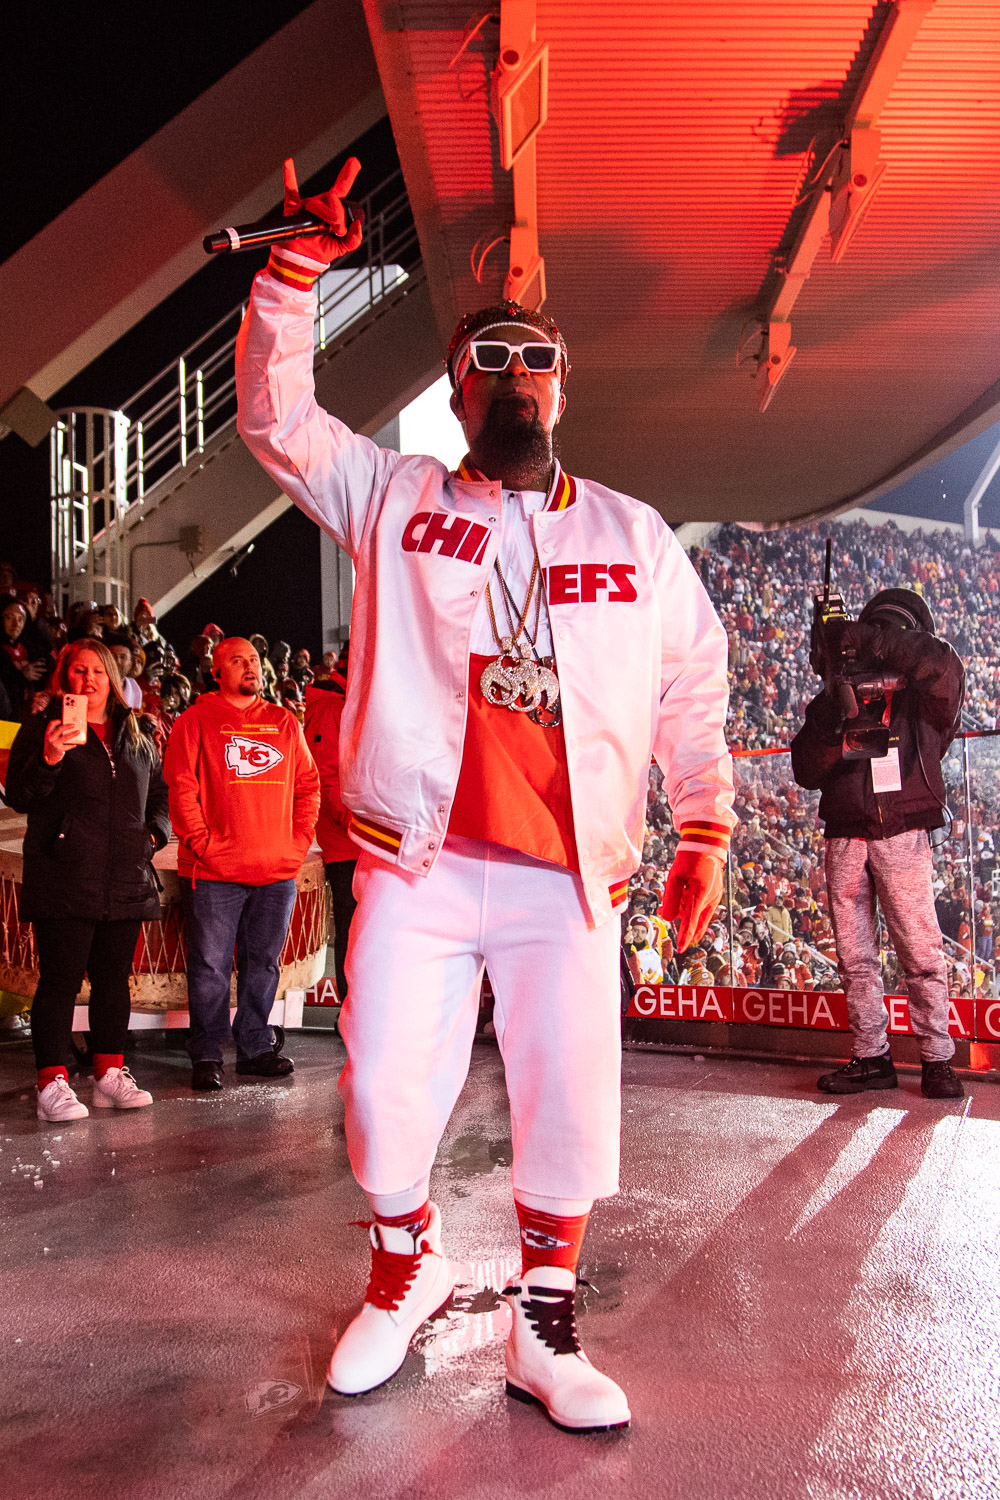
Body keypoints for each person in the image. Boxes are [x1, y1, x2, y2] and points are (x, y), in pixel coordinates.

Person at [234, 154, 735, 1432]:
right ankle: (407, 1265)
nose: (515, 372)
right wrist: (293, 276)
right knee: (385, 1082)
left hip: (570, 867)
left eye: (535, 355)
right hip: (418, 855)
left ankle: (544, 1319)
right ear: (457, 388)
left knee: (570, 1083)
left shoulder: (630, 531)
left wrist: (707, 821)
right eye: (489, 354)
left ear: (563, 385)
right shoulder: (394, 497)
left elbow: (694, 683)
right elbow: (278, 421)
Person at [790, 588, 966, 1099]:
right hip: (847, 831)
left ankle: (937, 1059)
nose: (876, 645)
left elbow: (940, 665)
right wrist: (833, 713)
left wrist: (870, 638)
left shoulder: (930, 693)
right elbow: (806, 768)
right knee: (855, 956)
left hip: (901, 831)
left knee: (921, 952)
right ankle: (872, 1057)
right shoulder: (839, 692)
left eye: (889, 633)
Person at [5, 639, 170, 1121]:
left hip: (126, 875)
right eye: (78, 671)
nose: (89, 679)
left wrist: (154, 837)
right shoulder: (41, 727)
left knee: (113, 981)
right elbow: (19, 794)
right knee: (59, 981)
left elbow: (158, 794)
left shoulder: (136, 732)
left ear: (114, 679)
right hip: (64, 875)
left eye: (99, 670)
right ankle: (51, 1083)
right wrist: (51, 757)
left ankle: (108, 1075)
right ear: (64, 677)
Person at [163, 637, 320, 1091]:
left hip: (276, 871)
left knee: (264, 963)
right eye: (237, 660)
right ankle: (208, 1053)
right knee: (209, 967)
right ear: (216, 671)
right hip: (213, 873)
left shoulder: (283, 722)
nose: (250, 666)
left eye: (253, 660)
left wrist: (296, 845)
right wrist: (205, 845)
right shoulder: (195, 720)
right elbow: (181, 789)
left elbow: (308, 788)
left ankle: (254, 1047)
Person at [303, 669, 356, 1003]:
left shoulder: (336, 704)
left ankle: (359, 1011)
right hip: (349, 840)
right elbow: (327, 775)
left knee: (359, 930)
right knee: (355, 930)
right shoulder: (331, 708)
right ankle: (354, 1012)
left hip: (355, 839)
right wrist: (358, 824)